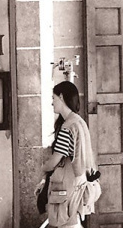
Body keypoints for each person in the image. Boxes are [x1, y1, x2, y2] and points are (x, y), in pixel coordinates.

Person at [39, 81, 99, 228]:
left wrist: (43, 167)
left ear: (61, 96)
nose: (52, 103)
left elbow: (55, 160)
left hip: (68, 188)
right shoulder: (79, 122)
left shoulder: (67, 127)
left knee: (68, 224)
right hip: (81, 183)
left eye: (53, 98)